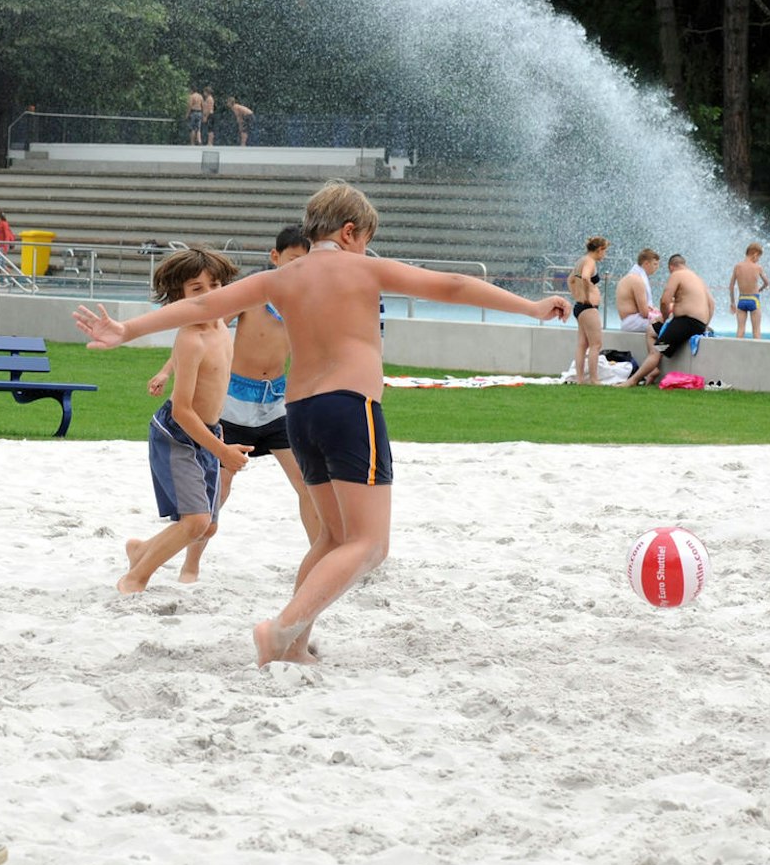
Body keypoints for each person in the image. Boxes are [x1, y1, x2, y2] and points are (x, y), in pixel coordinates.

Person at [75, 180, 572, 668]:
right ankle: (280, 630)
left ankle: (294, 645)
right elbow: (454, 286)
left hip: (301, 414)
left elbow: (204, 305)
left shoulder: (281, 278)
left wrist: (127, 330)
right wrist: (530, 307)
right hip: (349, 406)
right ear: (352, 232)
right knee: (370, 544)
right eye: (367, 241)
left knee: (333, 539)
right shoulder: (363, 270)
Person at [147, 227, 321, 584]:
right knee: (218, 491)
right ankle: (190, 564)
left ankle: (319, 558)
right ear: (275, 259)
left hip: (275, 403)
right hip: (234, 403)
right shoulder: (253, 295)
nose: (299, 270)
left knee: (305, 482)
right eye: (292, 262)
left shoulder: (308, 301)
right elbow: (205, 330)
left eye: (307, 263)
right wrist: (166, 371)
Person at [116, 248, 247, 593]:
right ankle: (135, 578)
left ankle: (142, 551)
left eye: (215, 285)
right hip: (177, 433)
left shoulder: (221, 323)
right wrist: (222, 451)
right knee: (196, 521)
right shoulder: (191, 339)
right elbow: (182, 411)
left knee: (208, 526)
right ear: (179, 299)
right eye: (196, 289)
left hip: (207, 431)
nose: (209, 296)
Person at [624, 252, 714, 387]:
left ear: (671, 267)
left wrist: (665, 319)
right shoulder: (697, 278)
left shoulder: (676, 275)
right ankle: (653, 369)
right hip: (696, 324)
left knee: (658, 349)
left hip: (685, 323)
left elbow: (665, 301)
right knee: (651, 330)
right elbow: (712, 304)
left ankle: (633, 380)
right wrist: (705, 324)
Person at [568, 236, 608, 384]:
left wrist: (576, 295)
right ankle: (593, 379)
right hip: (588, 307)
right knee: (596, 344)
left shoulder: (581, 260)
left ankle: (580, 379)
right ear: (599, 250)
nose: (605, 255)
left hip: (580, 307)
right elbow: (585, 277)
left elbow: (570, 280)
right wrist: (585, 295)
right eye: (605, 251)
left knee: (582, 344)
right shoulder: (590, 262)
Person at [615, 248, 662, 341]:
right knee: (666, 325)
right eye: (655, 264)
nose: (657, 267)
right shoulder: (637, 280)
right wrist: (658, 315)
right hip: (633, 322)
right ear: (646, 263)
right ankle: (658, 352)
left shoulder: (631, 277)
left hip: (630, 321)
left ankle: (659, 351)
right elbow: (644, 313)